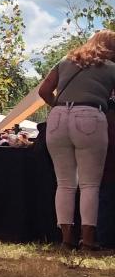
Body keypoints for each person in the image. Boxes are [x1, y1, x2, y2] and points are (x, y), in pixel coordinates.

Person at [38, 30, 115, 251]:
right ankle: (89, 241)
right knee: (90, 184)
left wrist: (61, 108)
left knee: (64, 183)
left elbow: (44, 91)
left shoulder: (65, 61)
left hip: (58, 118)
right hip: (91, 116)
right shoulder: (111, 68)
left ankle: (66, 240)